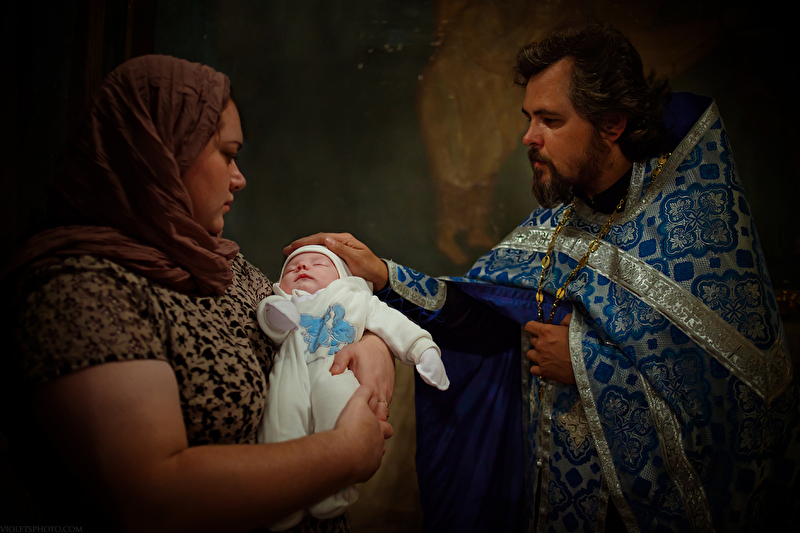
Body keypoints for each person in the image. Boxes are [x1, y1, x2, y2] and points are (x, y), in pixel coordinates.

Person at [285, 21, 800, 533]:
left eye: (550, 120)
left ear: (612, 125)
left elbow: (734, 407)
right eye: (529, 118)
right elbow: (485, 319)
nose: (528, 137)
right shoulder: (557, 222)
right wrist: (383, 274)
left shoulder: (689, 225)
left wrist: (583, 363)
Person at [2, 55, 395, 533]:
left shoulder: (218, 262)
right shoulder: (79, 291)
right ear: (159, 153)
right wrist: (344, 454)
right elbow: (154, 498)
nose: (238, 178)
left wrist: (371, 343)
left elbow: (311, 310)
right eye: (227, 154)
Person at [257, 245, 449, 530]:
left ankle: (334, 489)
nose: (302, 267)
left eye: (318, 263)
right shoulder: (282, 301)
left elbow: (394, 323)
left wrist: (422, 348)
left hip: (337, 368)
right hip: (289, 370)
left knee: (337, 412)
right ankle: (280, 496)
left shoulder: (356, 299)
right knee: (280, 421)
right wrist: (276, 314)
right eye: (292, 267)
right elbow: (272, 327)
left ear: (341, 274)